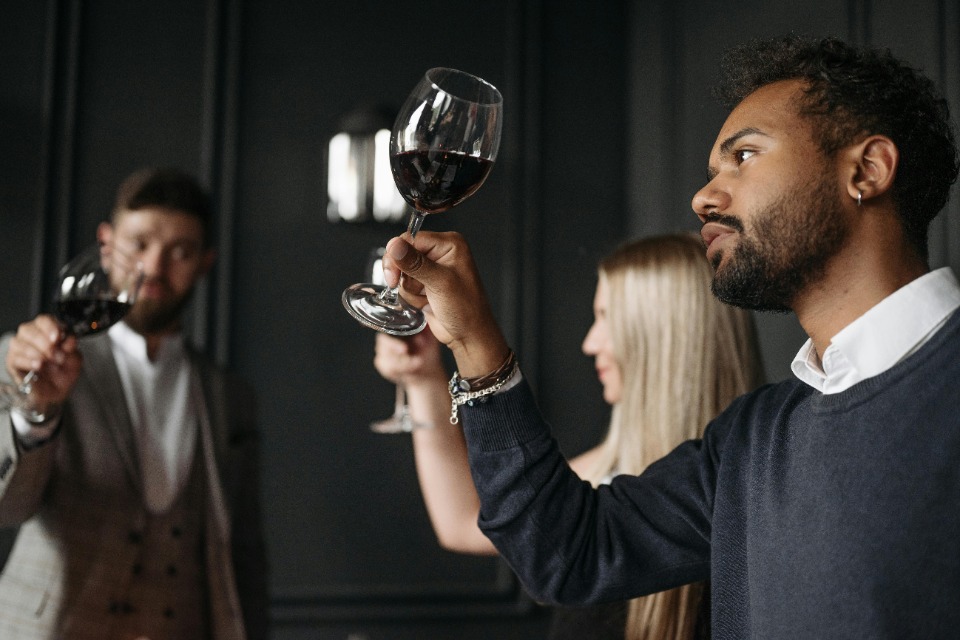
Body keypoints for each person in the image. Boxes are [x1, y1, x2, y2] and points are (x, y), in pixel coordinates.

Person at [379, 34, 960, 638]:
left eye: (745, 157)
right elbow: (567, 554)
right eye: (713, 170)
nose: (704, 196)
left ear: (866, 170)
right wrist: (474, 342)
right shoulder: (752, 436)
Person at [374, 232, 765, 639]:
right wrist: (423, 380)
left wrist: (472, 343)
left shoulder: (744, 489)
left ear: (662, 336)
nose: (589, 343)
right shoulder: (608, 467)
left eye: (606, 318)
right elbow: (462, 523)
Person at [0, 167, 268, 639]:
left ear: (205, 262)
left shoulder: (231, 397)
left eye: (180, 252)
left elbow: (243, 553)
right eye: (139, 244)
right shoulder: (30, 359)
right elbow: (6, 508)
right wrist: (35, 415)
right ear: (106, 243)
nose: (154, 269)